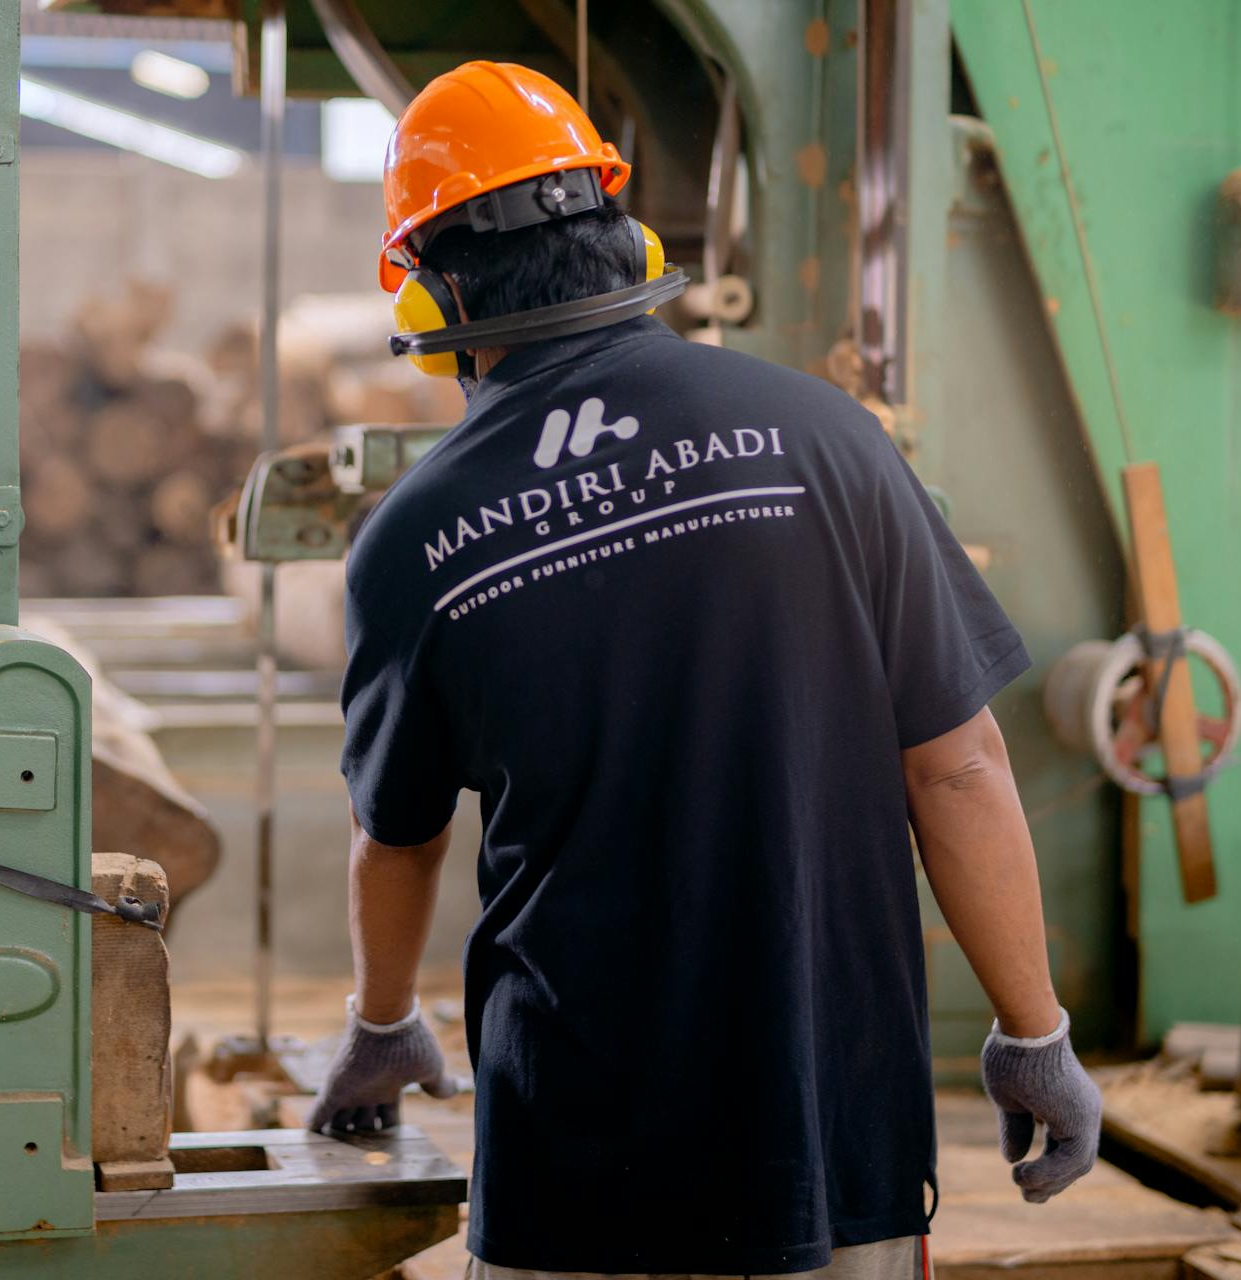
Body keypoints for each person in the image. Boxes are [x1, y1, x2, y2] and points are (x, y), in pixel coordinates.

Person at [308, 62, 1101, 1280]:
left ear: (438, 298)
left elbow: (399, 838)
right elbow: (957, 766)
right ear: (627, 245)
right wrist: (1032, 1031)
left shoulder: (414, 539)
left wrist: (380, 1022)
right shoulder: (828, 437)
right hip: (834, 1140)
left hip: (572, 1167)